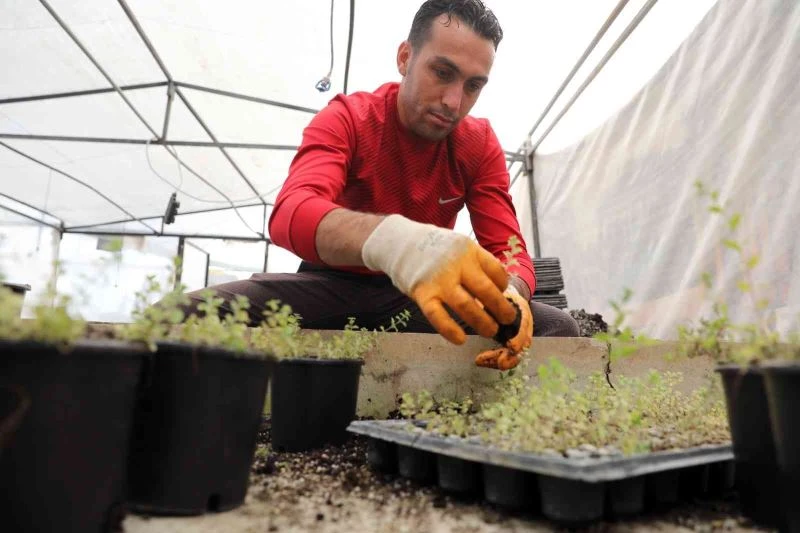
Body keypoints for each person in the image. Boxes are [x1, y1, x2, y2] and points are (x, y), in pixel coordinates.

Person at [182, 0, 579, 369]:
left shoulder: (478, 144)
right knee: (188, 313)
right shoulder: (349, 118)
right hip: (328, 286)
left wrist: (512, 293)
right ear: (405, 58)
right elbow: (292, 214)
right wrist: (398, 242)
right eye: (442, 73)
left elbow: (510, 249)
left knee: (555, 330)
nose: (454, 102)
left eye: (473, 86)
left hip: (421, 299)